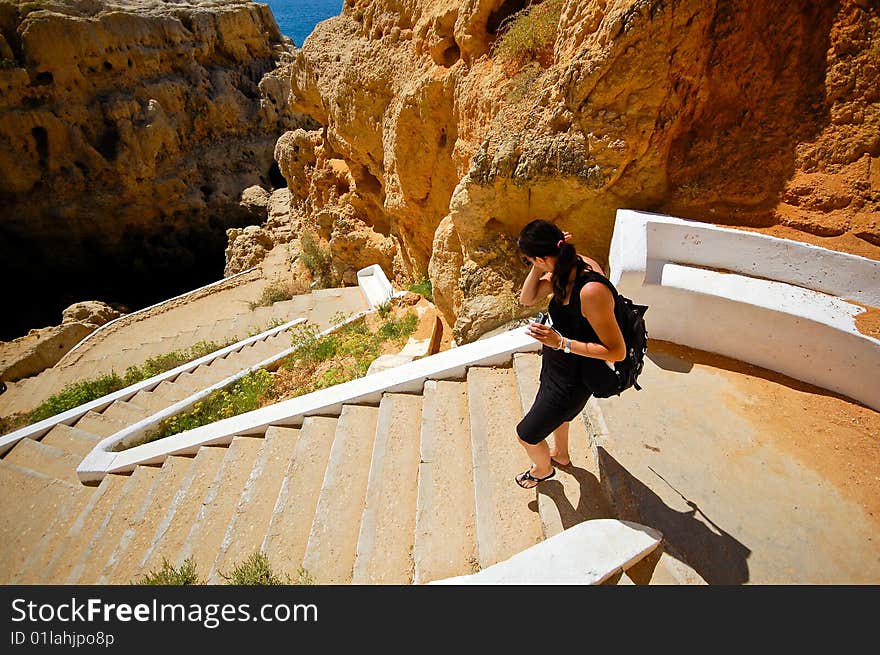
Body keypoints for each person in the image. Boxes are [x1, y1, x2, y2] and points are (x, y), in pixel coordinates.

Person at [514, 219, 626, 489]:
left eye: (531, 259)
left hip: (576, 375)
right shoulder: (564, 269)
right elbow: (527, 298)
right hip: (558, 363)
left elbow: (617, 351)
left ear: (543, 256)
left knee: (527, 435)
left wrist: (561, 341)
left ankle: (542, 470)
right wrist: (537, 266)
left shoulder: (590, 289)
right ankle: (561, 455)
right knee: (559, 417)